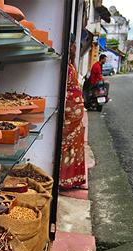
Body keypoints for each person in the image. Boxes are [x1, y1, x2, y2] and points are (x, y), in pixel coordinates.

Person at [60, 42, 87, 190]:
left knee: (75, 146)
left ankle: (74, 179)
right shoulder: (63, 65)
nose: (74, 48)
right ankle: (64, 180)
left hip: (75, 114)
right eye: (72, 45)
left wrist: (74, 57)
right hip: (69, 114)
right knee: (66, 147)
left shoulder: (70, 63)